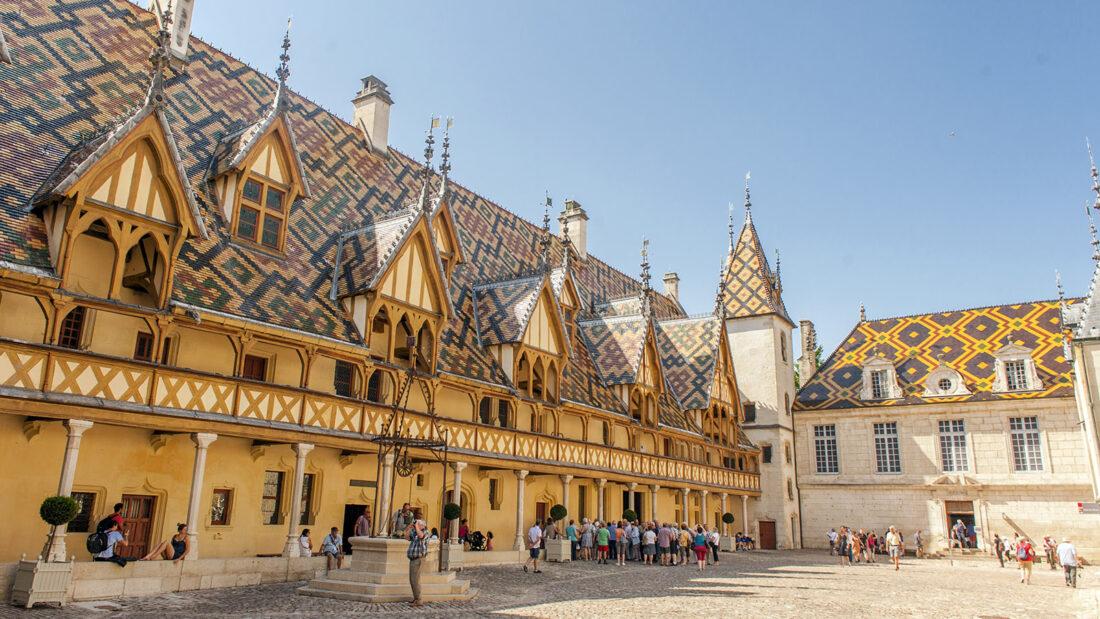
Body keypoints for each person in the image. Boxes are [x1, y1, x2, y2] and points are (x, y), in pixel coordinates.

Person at [404, 508, 428, 607]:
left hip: (418, 559)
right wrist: (409, 527)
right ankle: (416, 598)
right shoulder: (415, 532)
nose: (416, 525)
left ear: (423, 525)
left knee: (415, 580)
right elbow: (406, 537)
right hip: (413, 559)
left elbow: (421, 535)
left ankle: (419, 600)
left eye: (419, 524)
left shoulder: (425, 532)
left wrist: (417, 526)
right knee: (412, 579)